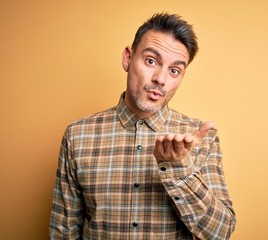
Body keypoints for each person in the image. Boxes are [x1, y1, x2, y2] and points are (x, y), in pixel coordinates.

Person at [49, 12, 236, 239]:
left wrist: (180, 170)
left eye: (174, 70)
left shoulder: (200, 138)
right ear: (128, 58)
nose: (161, 79)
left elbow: (220, 233)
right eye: (151, 61)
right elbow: (63, 232)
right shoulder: (77, 136)